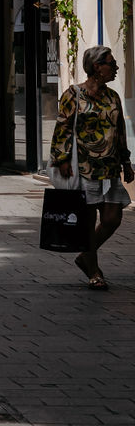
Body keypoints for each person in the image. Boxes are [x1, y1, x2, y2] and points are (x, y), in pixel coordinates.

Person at [50, 44, 134, 289]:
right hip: (83, 168)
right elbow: (62, 129)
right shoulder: (73, 94)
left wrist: (126, 161)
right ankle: (94, 272)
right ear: (97, 67)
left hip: (109, 167)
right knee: (87, 222)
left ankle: (85, 255)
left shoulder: (112, 97)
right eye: (111, 63)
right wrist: (62, 160)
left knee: (112, 218)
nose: (116, 67)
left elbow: (119, 132)